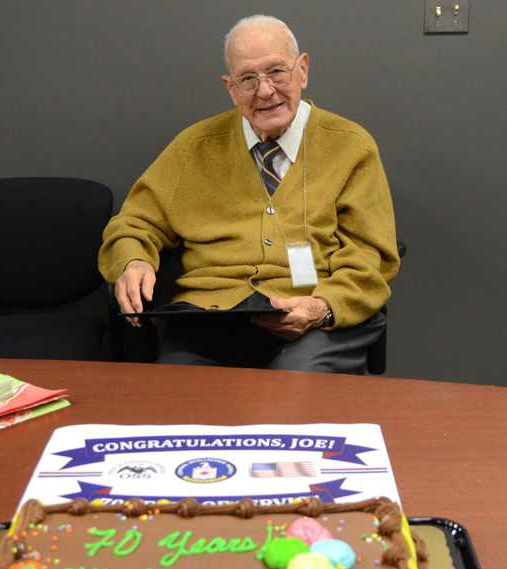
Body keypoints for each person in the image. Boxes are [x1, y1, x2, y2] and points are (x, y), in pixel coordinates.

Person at [98, 15, 399, 373]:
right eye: (248, 79)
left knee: (295, 384)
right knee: (178, 391)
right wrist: (134, 261)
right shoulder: (195, 146)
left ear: (302, 70)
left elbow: (370, 255)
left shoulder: (351, 147)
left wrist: (321, 307)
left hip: (313, 321)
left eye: (276, 72)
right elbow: (134, 222)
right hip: (211, 319)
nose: (265, 91)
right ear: (230, 87)